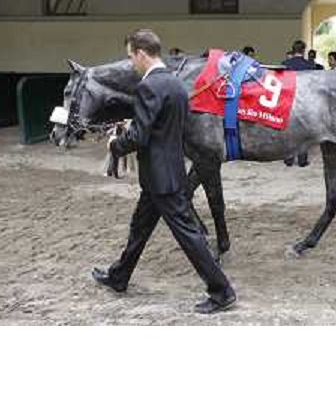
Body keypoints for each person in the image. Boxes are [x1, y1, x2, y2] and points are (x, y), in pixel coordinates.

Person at [92, 28, 236, 314]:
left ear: (142, 53)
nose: (132, 62)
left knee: (188, 237)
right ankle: (119, 276)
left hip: (160, 178)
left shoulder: (148, 87)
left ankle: (222, 291)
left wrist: (115, 144)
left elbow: (140, 136)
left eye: (132, 56)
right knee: (139, 228)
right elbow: (163, 129)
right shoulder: (176, 84)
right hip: (166, 173)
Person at [282, 39, 314, 167]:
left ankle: (288, 159)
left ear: (293, 49)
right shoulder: (310, 65)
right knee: (304, 132)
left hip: (288, 100)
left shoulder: (285, 64)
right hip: (305, 101)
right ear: (303, 50)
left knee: (288, 131)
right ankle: (302, 160)